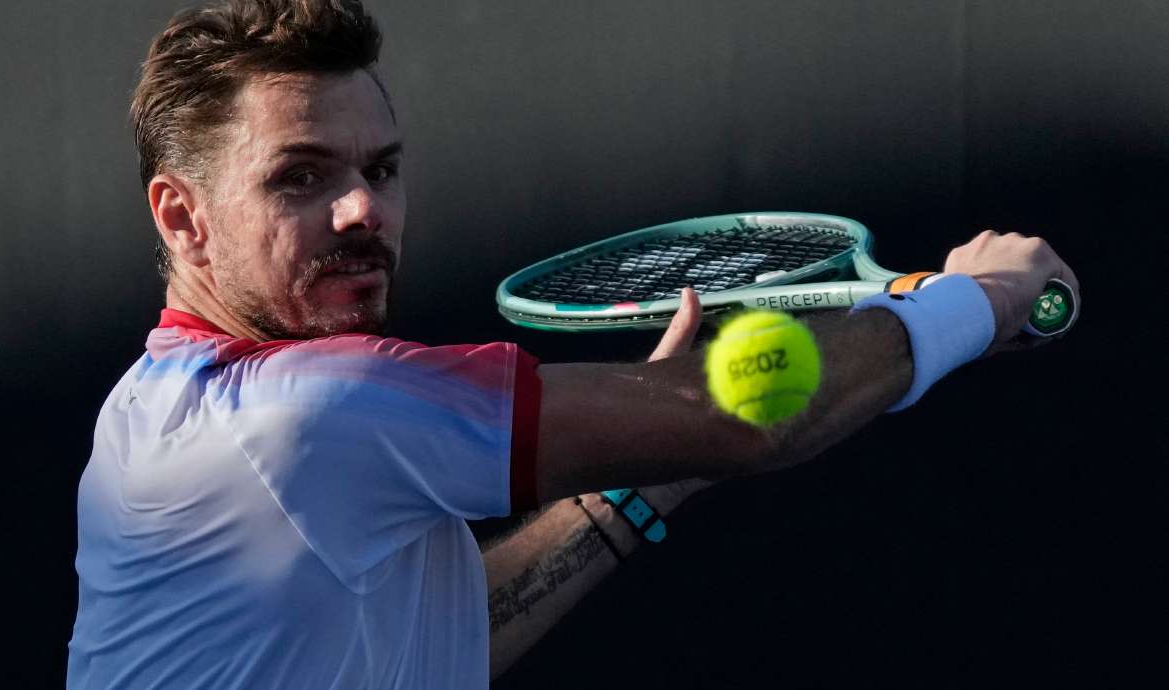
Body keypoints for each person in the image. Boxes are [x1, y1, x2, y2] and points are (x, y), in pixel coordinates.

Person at [66, 1, 1081, 688]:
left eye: (380, 168)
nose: (361, 210)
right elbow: (751, 427)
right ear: (182, 217)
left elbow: (447, 641)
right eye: (300, 177)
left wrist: (651, 472)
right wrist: (980, 299)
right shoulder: (310, 410)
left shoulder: (147, 407)